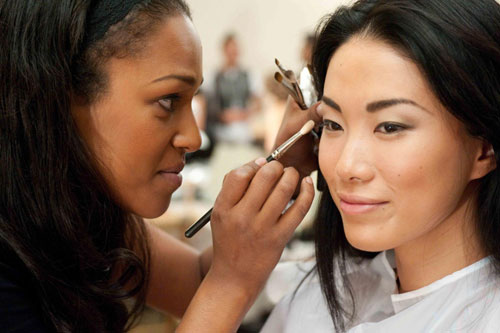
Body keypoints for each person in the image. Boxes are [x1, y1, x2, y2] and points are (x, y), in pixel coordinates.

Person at [0, 1, 315, 332]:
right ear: (63, 95)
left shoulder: (83, 213)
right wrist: (231, 282)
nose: (193, 138)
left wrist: (285, 167)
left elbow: (195, 284)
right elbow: (214, 290)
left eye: (192, 100)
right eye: (168, 101)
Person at [262, 0, 500, 331]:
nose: (346, 167)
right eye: (332, 124)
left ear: (485, 148)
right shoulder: (322, 294)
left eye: (389, 127)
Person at [209, 33, 260, 145]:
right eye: (229, 51)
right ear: (224, 51)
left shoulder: (248, 75)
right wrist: (222, 115)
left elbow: (257, 101)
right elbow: (210, 104)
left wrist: (246, 113)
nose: (232, 54)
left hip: (244, 126)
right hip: (222, 128)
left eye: (235, 50)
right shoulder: (215, 76)